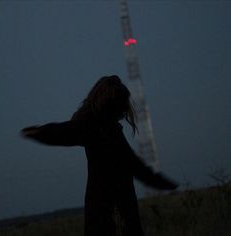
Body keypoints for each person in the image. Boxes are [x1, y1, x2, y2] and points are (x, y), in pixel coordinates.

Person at [21, 75, 178, 236]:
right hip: (105, 211)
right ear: (113, 104)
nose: (124, 111)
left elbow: (134, 164)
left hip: (116, 211)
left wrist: (161, 182)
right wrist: (39, 132)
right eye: (122, 106)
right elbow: (64, 132)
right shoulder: (94, 127)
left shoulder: (108, 130)